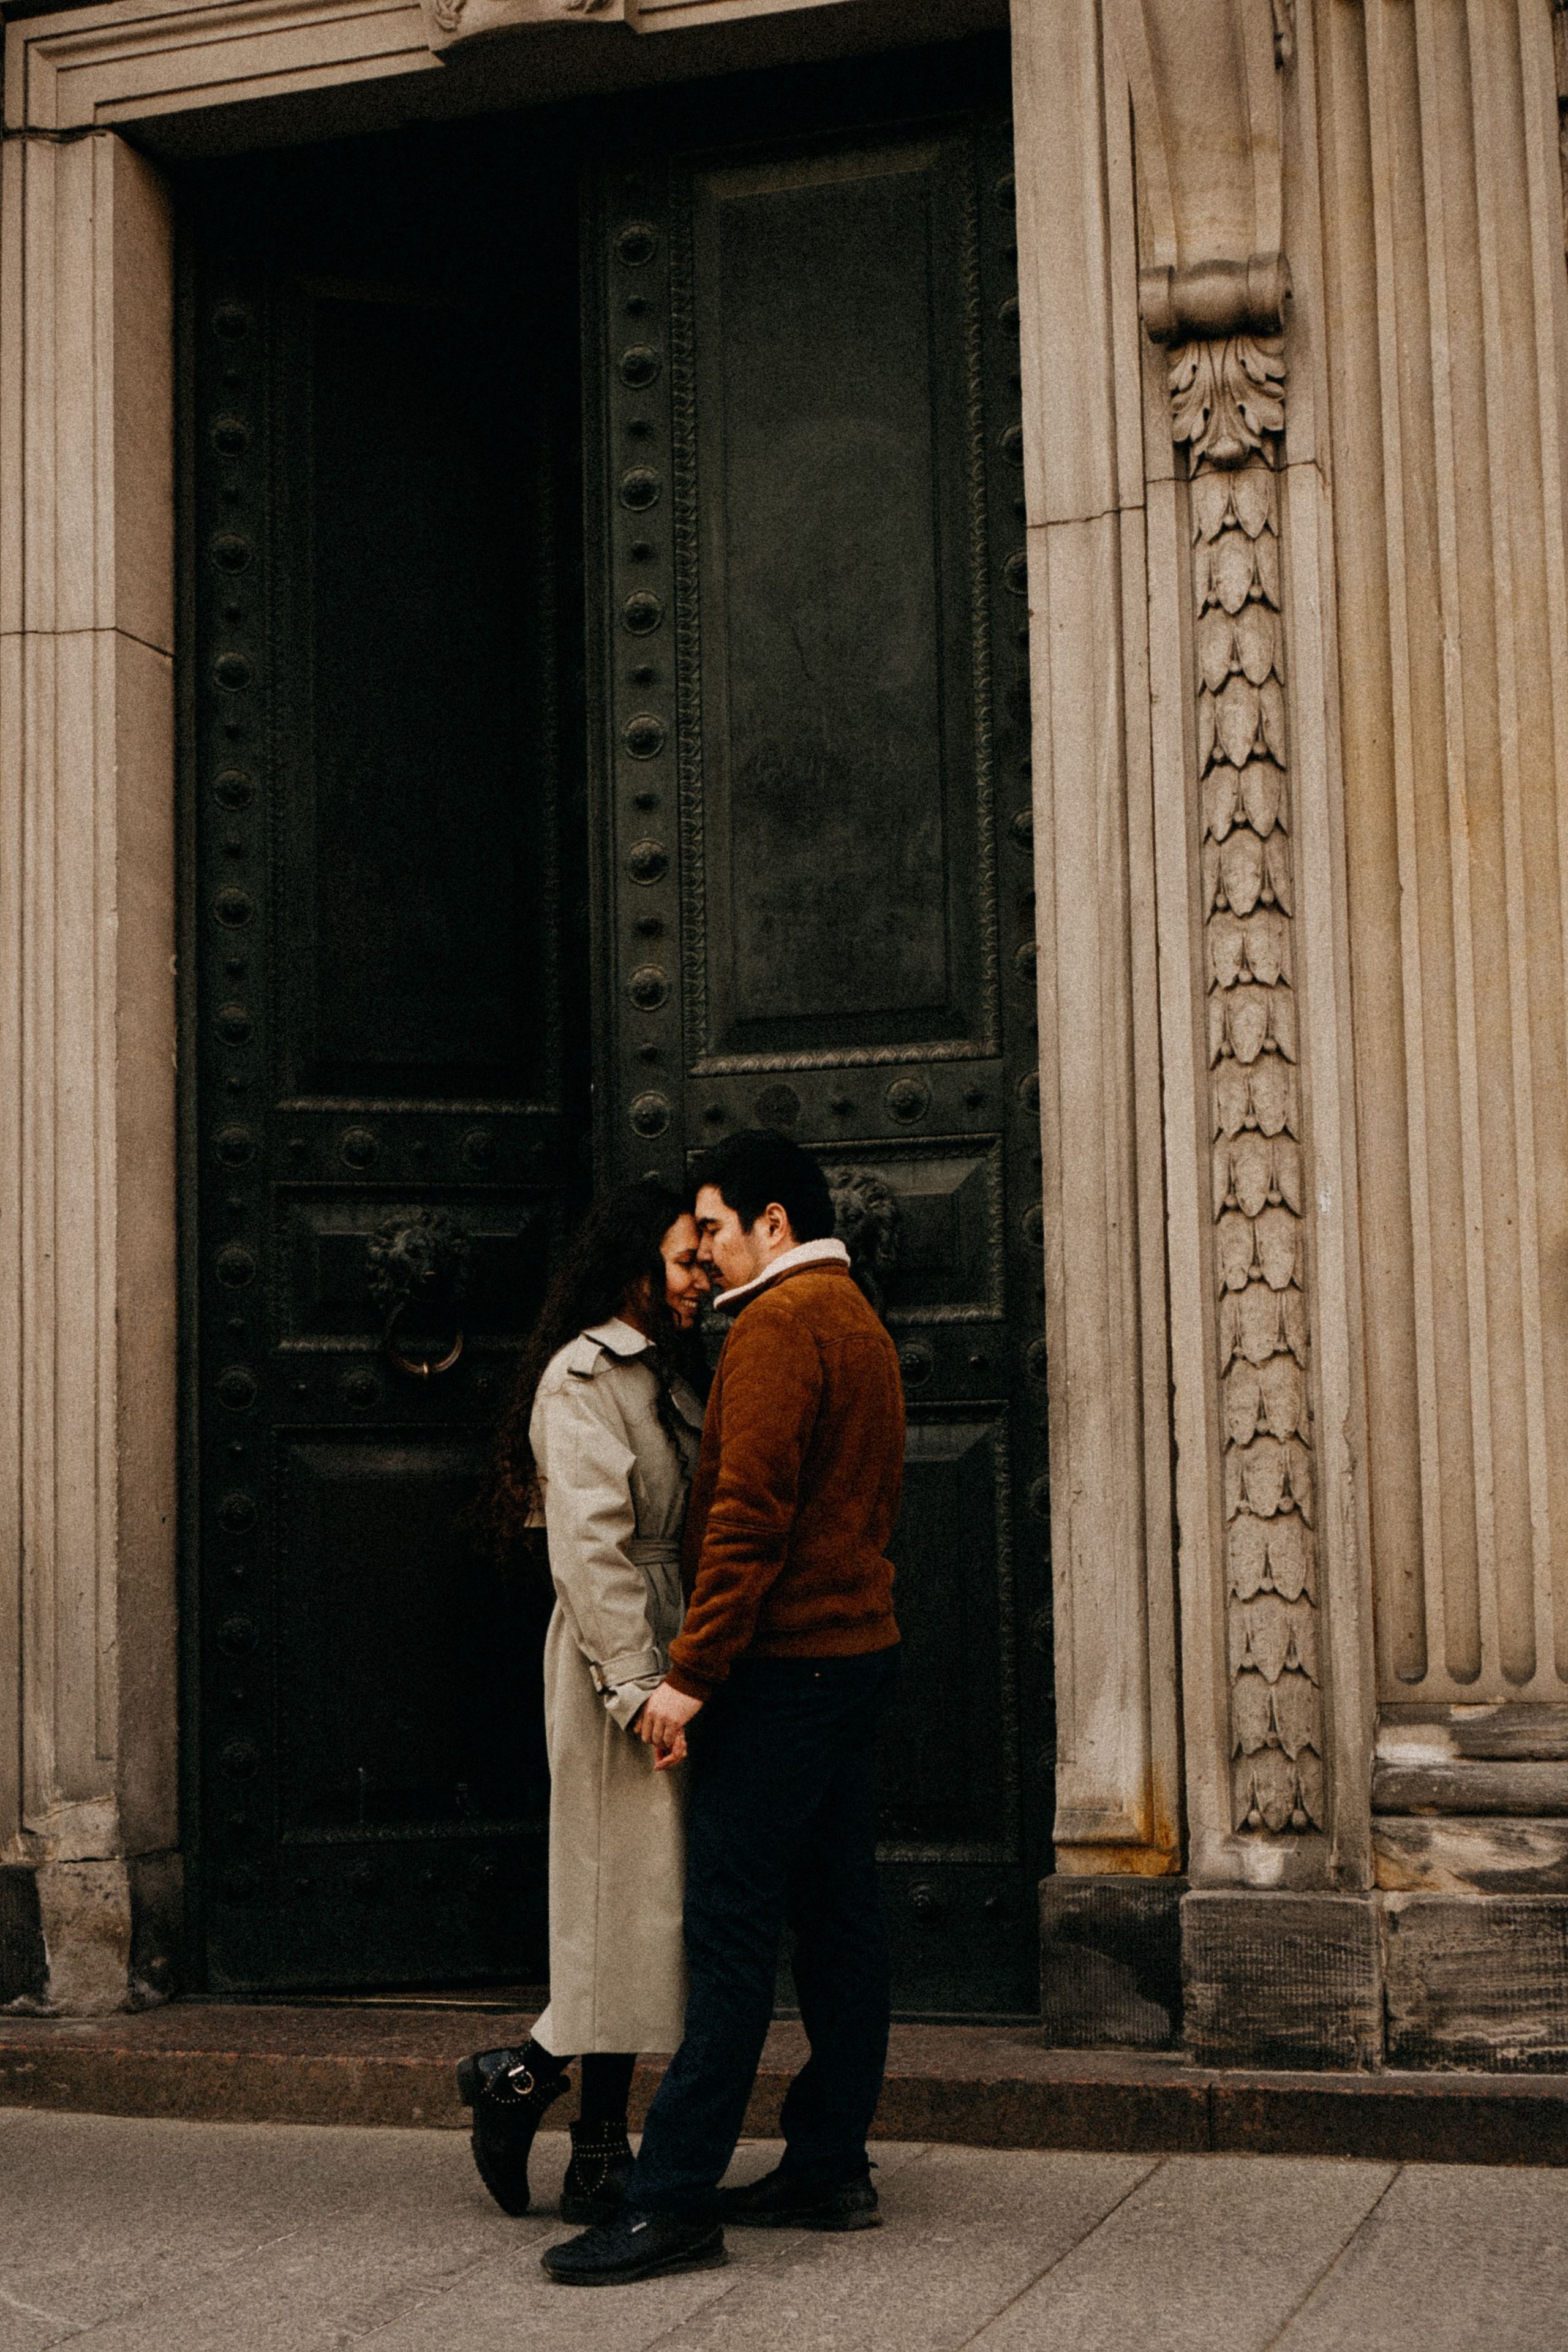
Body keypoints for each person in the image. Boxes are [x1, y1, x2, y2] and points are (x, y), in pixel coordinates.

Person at [544, 1129, 906, 2288]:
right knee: (843, 1920)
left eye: (714, 1226)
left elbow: (748, 1521)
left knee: (734, 1932)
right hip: (857, 1658)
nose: (700, 1251)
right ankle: (829, 2164)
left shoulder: (776, 1328)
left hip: (782, 1671)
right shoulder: (859, 1318)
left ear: (775, 1227)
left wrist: (690, 1677)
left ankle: (671, 2198)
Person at [457, 1179, 708, 2226]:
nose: (702, 1276)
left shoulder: (674, 1373)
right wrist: (637, 1686)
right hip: (621, 1659)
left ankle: (522, 2086)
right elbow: (590, 1549)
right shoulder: (581, 1379)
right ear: (630, 1266)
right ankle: (590, 2141)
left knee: (648, 1911)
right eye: (685, 1258)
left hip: (673, 1644)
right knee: (620, 1903)